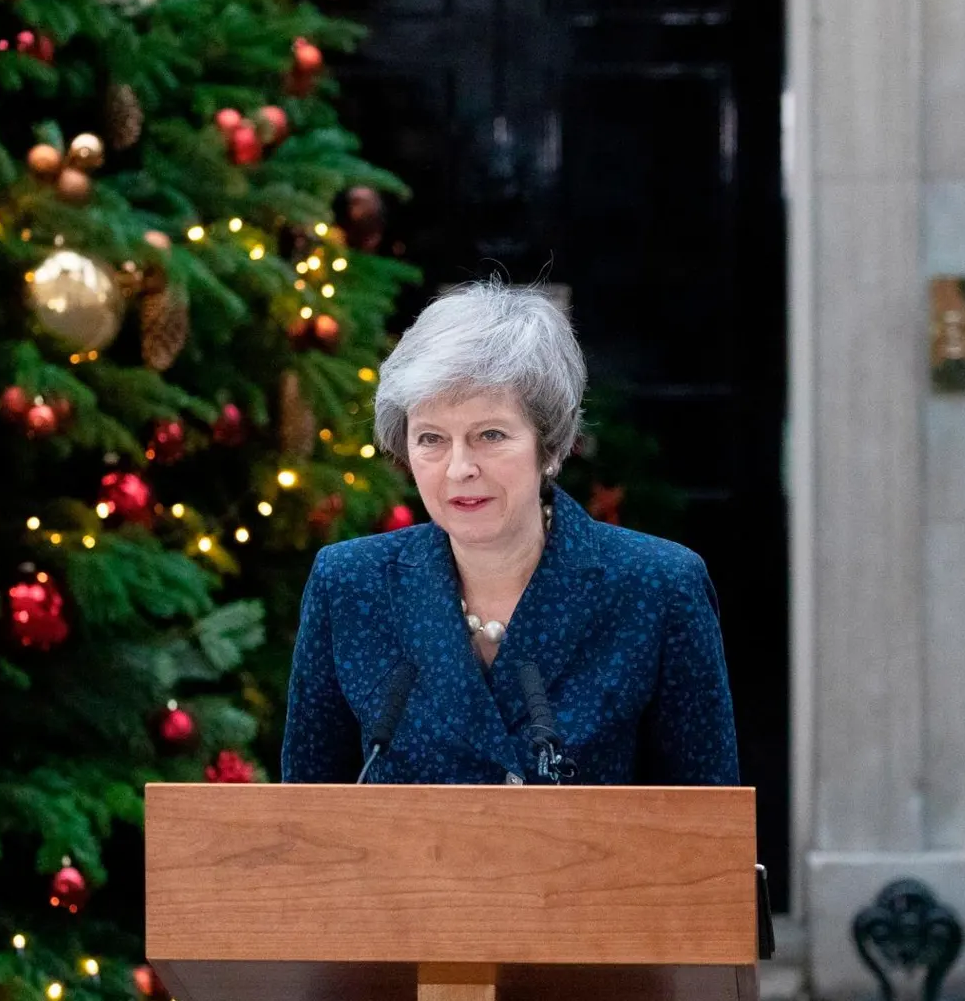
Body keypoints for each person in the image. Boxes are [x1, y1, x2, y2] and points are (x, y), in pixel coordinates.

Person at [280, 281, 739, 785]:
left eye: (490, 435)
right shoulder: (349, 583)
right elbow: (308, 819)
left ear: (549, 448)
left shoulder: (659, 587)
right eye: (431, 439)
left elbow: (705, 828)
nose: (459, 468)